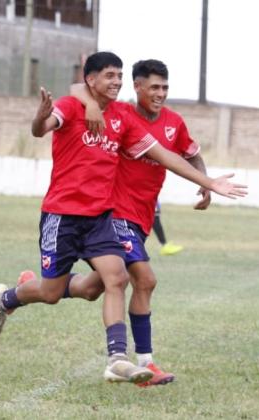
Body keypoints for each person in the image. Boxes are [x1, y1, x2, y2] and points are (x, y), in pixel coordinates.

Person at [0, 52, 247, 385]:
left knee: (116, 279)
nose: (117, 82)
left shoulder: (124, 118)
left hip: (100, 218)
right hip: (62, 216)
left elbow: (165, 155)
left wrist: (208, 182)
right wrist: (42, 117)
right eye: (110, 76)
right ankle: (8, 297)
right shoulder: (71, 105)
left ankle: (117, 359)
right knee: (52, 292)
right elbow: (42, 128)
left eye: (119, 76)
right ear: (91, 80)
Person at [56, 59, 209, 386]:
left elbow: (190, 152)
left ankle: (31, 289)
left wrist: (205, 183)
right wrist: (89, 106)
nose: (160, 93)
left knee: (94, 287)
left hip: (141, 217)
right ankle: (144, 364)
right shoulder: (122, 114)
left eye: (165, 87)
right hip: (115, 213)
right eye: (154, 87)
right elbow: (76, 88)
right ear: (137, 87)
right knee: (145, 279)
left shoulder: (173, 122)